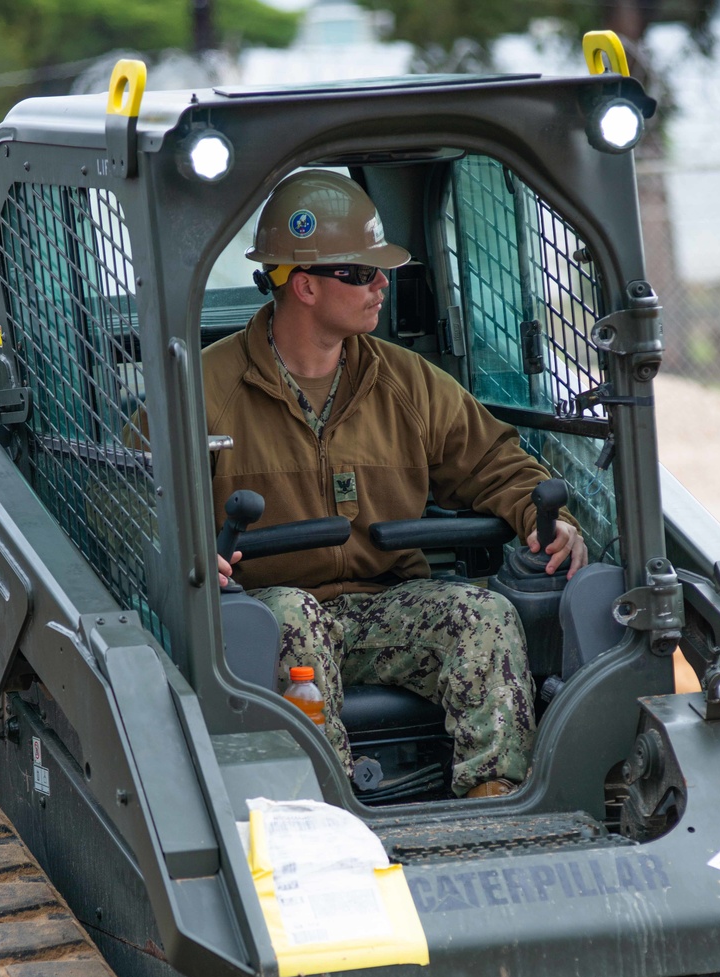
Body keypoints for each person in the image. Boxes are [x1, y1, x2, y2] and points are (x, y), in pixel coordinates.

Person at [203, 169, 587, 798]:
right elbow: (134, 501)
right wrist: (192, 557)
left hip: (386, 606)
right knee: (289, 616)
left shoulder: (407, 383)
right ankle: (328, 814)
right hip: (269, 608)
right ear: (302, 285)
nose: (382, 283)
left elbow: (493, 459)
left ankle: (495, 807)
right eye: (360, 272)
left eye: (380, 270)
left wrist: (545, 517)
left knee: (481, 613)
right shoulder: (205, 390)